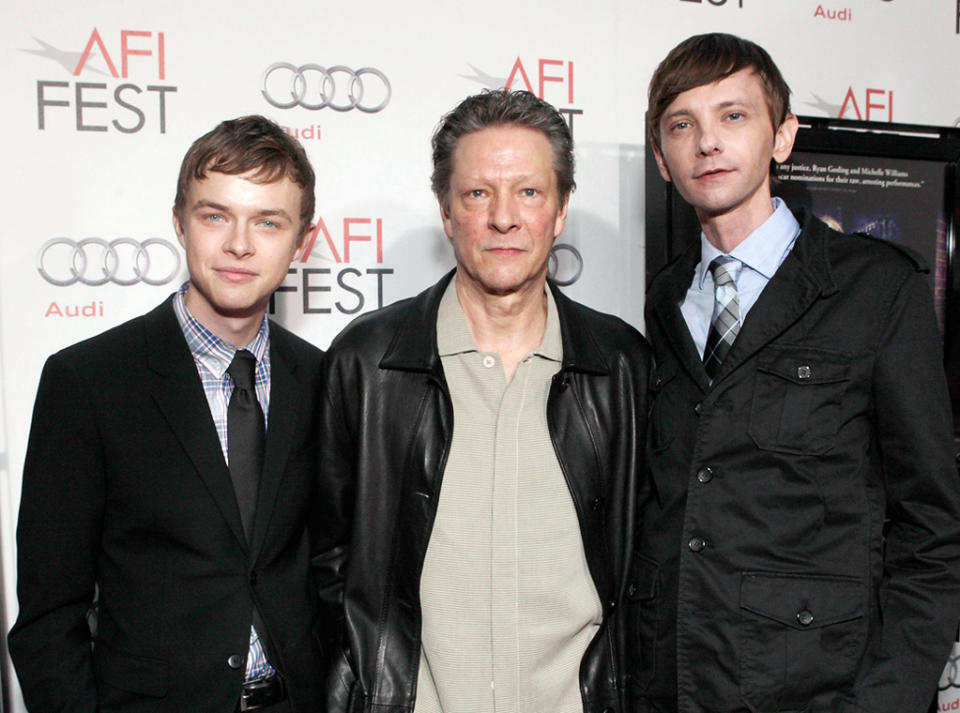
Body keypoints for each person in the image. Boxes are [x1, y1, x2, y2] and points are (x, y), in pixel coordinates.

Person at [634, 32, 960, 713]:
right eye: (681, 124)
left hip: (821, 690)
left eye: (733, 115)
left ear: (782, 137)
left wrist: (888, 700)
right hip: (682, 681)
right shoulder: (666, 299)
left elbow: (932, 529)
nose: (707, 142)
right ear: (663, 160)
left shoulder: (877, 289)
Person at [313, 89, 651, 713]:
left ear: (560, 209)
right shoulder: (369, 362)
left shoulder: (621, 364)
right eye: (477, 194)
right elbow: (327, 567)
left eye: (528, 191)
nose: (503, 218)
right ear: (446, 209)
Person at [9, 115, 326, 712]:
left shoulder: (322, 378)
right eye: (215, 216)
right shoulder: (89, 381)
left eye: (267, 221)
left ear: (303, 241)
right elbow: (50, 618)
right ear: (179, 223)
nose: (239, 244)